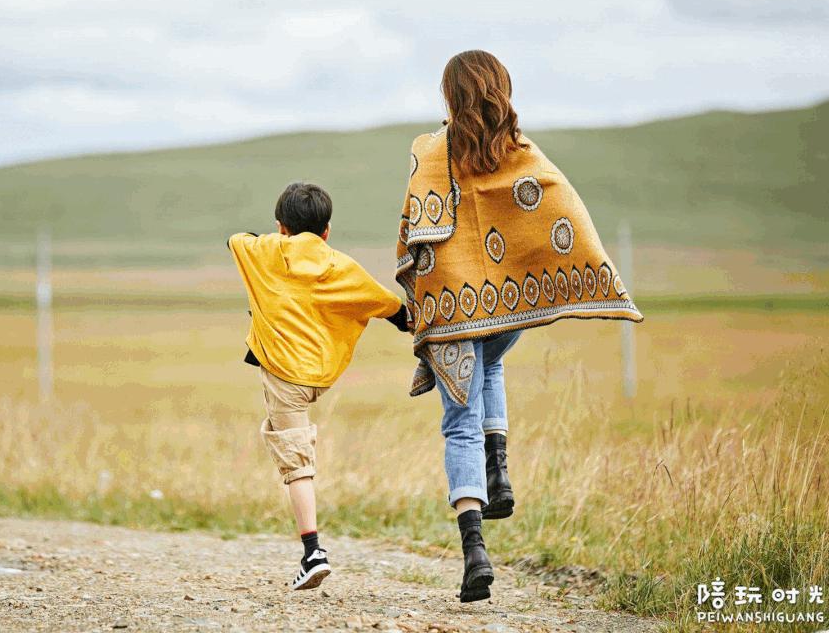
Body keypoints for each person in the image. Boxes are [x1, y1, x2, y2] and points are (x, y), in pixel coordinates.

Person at [395, 50, 643, 603]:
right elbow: (559, 205)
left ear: (449, 95)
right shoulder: (520, 150)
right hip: (505, 305)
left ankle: (474, 552)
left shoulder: (429, 151)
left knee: (459, 422)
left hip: (453, 310)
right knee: (491, 366)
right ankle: (499, 469)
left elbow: (412, 229)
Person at [228, 182, 408, 591]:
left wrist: (279, 241)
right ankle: (312, 553)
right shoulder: (340, 266)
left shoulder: (265, 252)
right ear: (327, 231)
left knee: (297, 464)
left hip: (284, 377)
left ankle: (313, 553)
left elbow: (236, 239)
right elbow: (389, 306)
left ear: (281, 227)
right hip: (320, 375)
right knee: (297, 457)